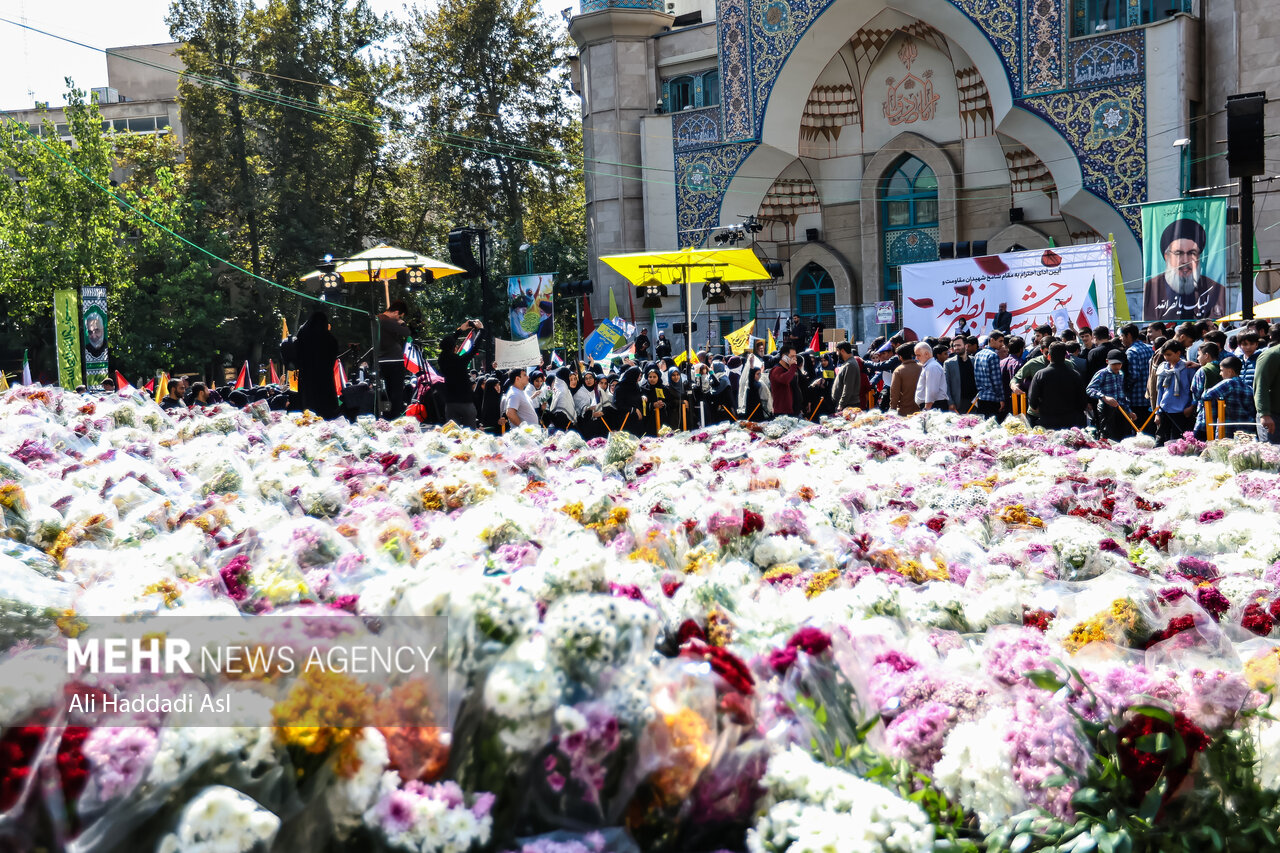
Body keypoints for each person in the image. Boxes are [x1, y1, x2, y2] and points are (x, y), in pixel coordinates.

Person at [1142, 218, 1227, 322]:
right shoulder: (1152, 288)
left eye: (1192, 253)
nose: (1186, 261)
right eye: (1179, 253)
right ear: (1166, 256)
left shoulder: (1215, 289)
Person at [1028, 343, 1087, 429]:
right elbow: (1083, 401)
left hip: (1048, 423)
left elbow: (1033, 401)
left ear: (1049, 356)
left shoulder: (1040, 375)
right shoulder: (1075, 375)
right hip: (1072, 423)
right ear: (1065, 357)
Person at [295, 310, 342, 419]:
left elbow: (297, 355)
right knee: (327, 410)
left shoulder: (303, 335)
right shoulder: (330, 340)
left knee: (308, 409)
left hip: (307, 379)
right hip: (325, 381)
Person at [439, 319, 484, 427]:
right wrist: (481, 330)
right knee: (470, 433)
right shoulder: (461, 360)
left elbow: (447, 346)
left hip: (450, 402)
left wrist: (459, 330)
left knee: (452, 434)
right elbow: (474, 347)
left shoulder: (441, 360)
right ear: (454, 348)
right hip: (465, 402)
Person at [1200, 356, 1256, 438]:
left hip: (1227, 431)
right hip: (1246, 431)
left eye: (1222, 370)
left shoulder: (1228, 383)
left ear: (1230, 372)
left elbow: (1206, 395)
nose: (1220, 373)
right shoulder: (1249, 388)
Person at [1153, 341, 1196, 445]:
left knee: (1178, 443)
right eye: (1164, 355)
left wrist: (1192, 406)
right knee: (1162, 441)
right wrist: (1157, 412)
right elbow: (1160, 391)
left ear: (1178, 353)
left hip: (1181, 411)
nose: (1166, 357)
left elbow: (1195, 390)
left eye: (1169, 354)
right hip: (1165, 409)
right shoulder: (1163, 368)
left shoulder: (1188, 368)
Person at [1086, 350, 1130, 440]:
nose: (1117, 366)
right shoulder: (1102, 373)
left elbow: (1122, 394)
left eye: (1119, 364)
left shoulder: (1121, 374)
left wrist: (1129, 410)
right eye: (1114, 364)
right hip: (1106, 410)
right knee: (1107, 436)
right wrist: (1104, 397)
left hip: (1120, 409)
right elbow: (1090, 389)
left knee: (1122, 435)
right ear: (1107, 362)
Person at [1120, 323, 1154, 434]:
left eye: (1122, 336)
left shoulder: (1131, 352)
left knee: (1138, 429)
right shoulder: (1150, 348)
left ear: (1128, 335)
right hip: (1150, 396)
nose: (1121, 339)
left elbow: (1134, 375)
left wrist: (1125, 387)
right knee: (1149, 429)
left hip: (1136, 398)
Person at [1254, 323, 1280, 444]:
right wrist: (1264, 414)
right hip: (1273, 417)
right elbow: (1261, 386)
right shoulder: (1271, 355)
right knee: (1272, 458)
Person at [971, 331, 1005, 420]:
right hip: (992, 398)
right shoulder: (993, 356)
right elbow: (996, 381)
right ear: (992, 340)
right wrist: (1001, 399)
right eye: (1000, 341)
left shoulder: (978, 354)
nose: (1002, 344)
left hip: (981, 397)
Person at [889, 343, 922, 416]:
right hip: (921, 410)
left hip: (905, 411)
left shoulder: (898, 371)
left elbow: (895, 393)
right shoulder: (922, 368)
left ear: (900, 357)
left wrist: (892, 409)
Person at [913, 342, 948, 410]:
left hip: (933, 406)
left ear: (926, 354)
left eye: (918, 355)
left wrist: (927, 409)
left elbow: (932, 391)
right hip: (932, 405)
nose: (916, 358)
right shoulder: (930, 366)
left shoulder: (932, 367)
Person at [831, 342, 866, 411]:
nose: (837, 354)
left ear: (842, 351)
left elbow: (848, 387)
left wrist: (841, 404)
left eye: (837, 351)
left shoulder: (850, 365)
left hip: (848, 405)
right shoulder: (848, 363)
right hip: (846, 404)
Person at [769, 345, 800, 417]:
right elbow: (786, 380)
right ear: (784, 357)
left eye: (795, 356)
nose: (795, 359)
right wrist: (793, 367)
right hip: (783, 412)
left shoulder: (789, 369)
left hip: (793, 410)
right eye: (792, 356)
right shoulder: (777, 370)